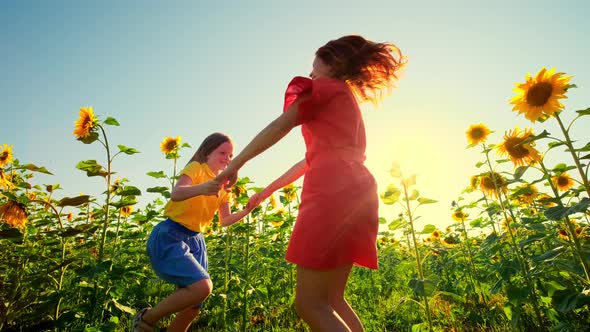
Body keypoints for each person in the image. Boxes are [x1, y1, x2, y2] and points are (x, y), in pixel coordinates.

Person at [216, 35, 406, 332]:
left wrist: (236, 164)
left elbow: (280, 125)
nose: (310, 74)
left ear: (335, 62)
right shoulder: (346, 100)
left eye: (313, 67)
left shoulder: (324, 88)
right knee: (333, 298)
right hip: (358, 190)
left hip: (330, 191)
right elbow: (309, 161)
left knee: (309, 304)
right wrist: (268, 191)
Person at [132, 132, 253, 332]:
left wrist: (247, 210)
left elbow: (225, 220)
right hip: (172, 233)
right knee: (203, 287)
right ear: (207, 153)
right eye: (222, 152)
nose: (227, 159)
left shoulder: (225, 188)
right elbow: (176, 193)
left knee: (193, 306)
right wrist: (203, 188)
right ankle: (146, 318)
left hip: (197, 240)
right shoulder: (197, 168)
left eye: (231, 156)